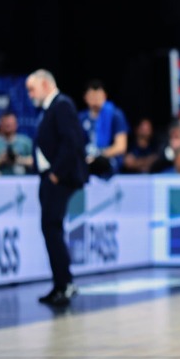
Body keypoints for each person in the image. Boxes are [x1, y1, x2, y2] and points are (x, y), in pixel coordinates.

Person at [27, 69, 89, 307]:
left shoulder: (62, 105)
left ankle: (64, 284)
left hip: (59, 179)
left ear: (45, 84)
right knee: (51, 229)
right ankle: (60, 284)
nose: (30, 94)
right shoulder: (50, 108)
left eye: (32, 89)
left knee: (52, 228)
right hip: (50, 177)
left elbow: (71, 142)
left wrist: (56, 174)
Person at [79, 79, 129, 178]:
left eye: (98, 96)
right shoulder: (81, 118)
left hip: (107, 161)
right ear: (85, 97)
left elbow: (121, 146)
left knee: (100, 163)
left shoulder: (115, 115)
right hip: (86, 159)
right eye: (92, 96)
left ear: (105, 96)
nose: (95, 100)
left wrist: (98, 156)